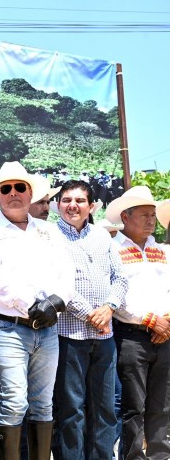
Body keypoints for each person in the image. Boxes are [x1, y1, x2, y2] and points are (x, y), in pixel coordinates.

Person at [0, 161, 74, 460]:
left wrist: (56, 301)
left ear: (30, 193)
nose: (13, 193)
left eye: (19, 187)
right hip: (6, 327)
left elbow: (67, 272)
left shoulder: (49, 231)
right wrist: (30, 303)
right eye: (6, 188)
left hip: (48, 328)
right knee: (14, 402)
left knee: (43, 404)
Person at [51, 180, 128, 460]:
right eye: (66, 200)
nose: (73, 205)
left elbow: (120, 279)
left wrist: (108, 307)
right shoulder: (49, 236)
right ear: (58, 204)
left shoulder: (102, 236)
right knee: (71, 409)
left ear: (91, 206)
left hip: (104, 336)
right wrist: (90, 314)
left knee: (105, 408)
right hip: (68, 335)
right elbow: (55, 283)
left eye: (80, 200)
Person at [104, 186, 170, 459]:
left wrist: (166, 321)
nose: (151, 220)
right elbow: (114, 294)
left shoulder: (162, 250)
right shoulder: (113, 249)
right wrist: (150, 320)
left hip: (164, 334)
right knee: (134, 405)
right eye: (144, 215)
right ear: (126, 217)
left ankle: (160, 456)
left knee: (162, 404)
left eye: (152, 215)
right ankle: (132, 457)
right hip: (131, 335)